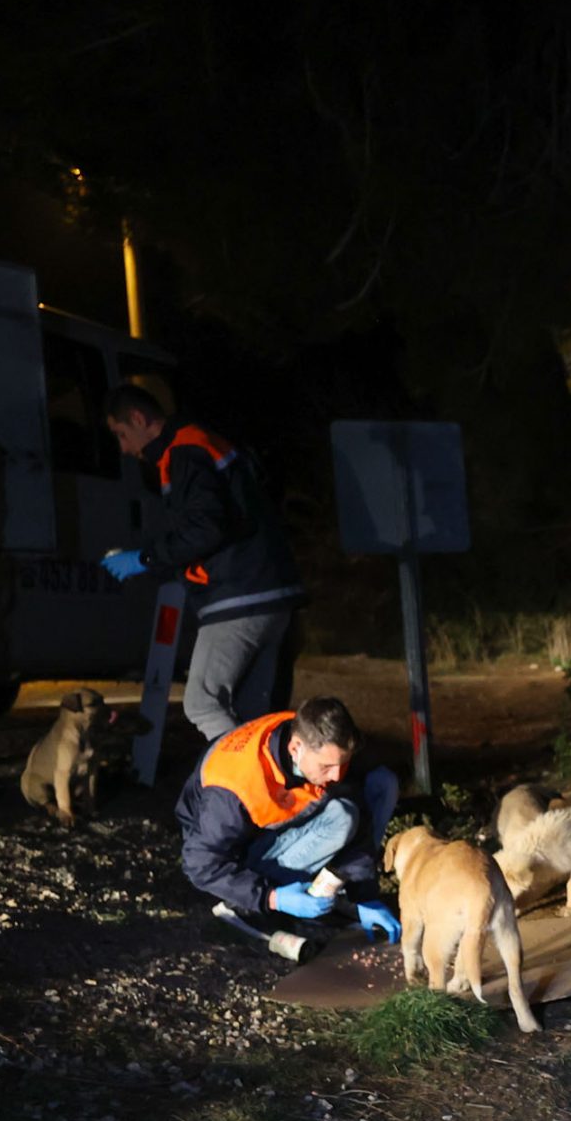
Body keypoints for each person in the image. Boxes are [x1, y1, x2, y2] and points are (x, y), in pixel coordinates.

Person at [99, 386, 305, 741]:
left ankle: (239, 783)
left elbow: (206, 528)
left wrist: (145, 558)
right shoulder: (202, 443)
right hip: (274, 592)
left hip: (239, 597)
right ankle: (273, 786)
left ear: (138, 418)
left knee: (202, 704)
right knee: (257, 716)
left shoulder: (184, 451)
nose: (123, 448)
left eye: (121, 434)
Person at [175, 696, 401, 942]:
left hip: (277, 825)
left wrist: (364, 894)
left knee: (382, 784)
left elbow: (360, 807)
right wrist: (272, 897)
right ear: (295, 748)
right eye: (326, 767)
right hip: (237, 860)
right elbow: (200, 863)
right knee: (341, 820)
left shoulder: (313, 739)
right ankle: (248, 907)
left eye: (342, 763)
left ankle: (335, 891)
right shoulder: (233, 789)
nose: (336, 774)